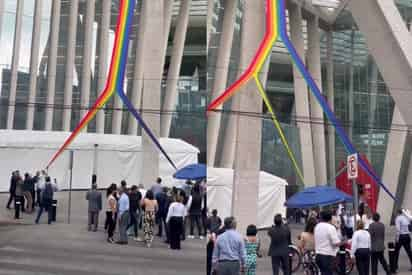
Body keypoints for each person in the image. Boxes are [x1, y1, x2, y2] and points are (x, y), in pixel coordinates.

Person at [314, 210, 343, 275]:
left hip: (318, 255)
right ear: (330, 218)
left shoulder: (317, 226)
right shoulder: (330, 227)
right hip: (327, 256)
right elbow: (336, 243)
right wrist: (343, 241)